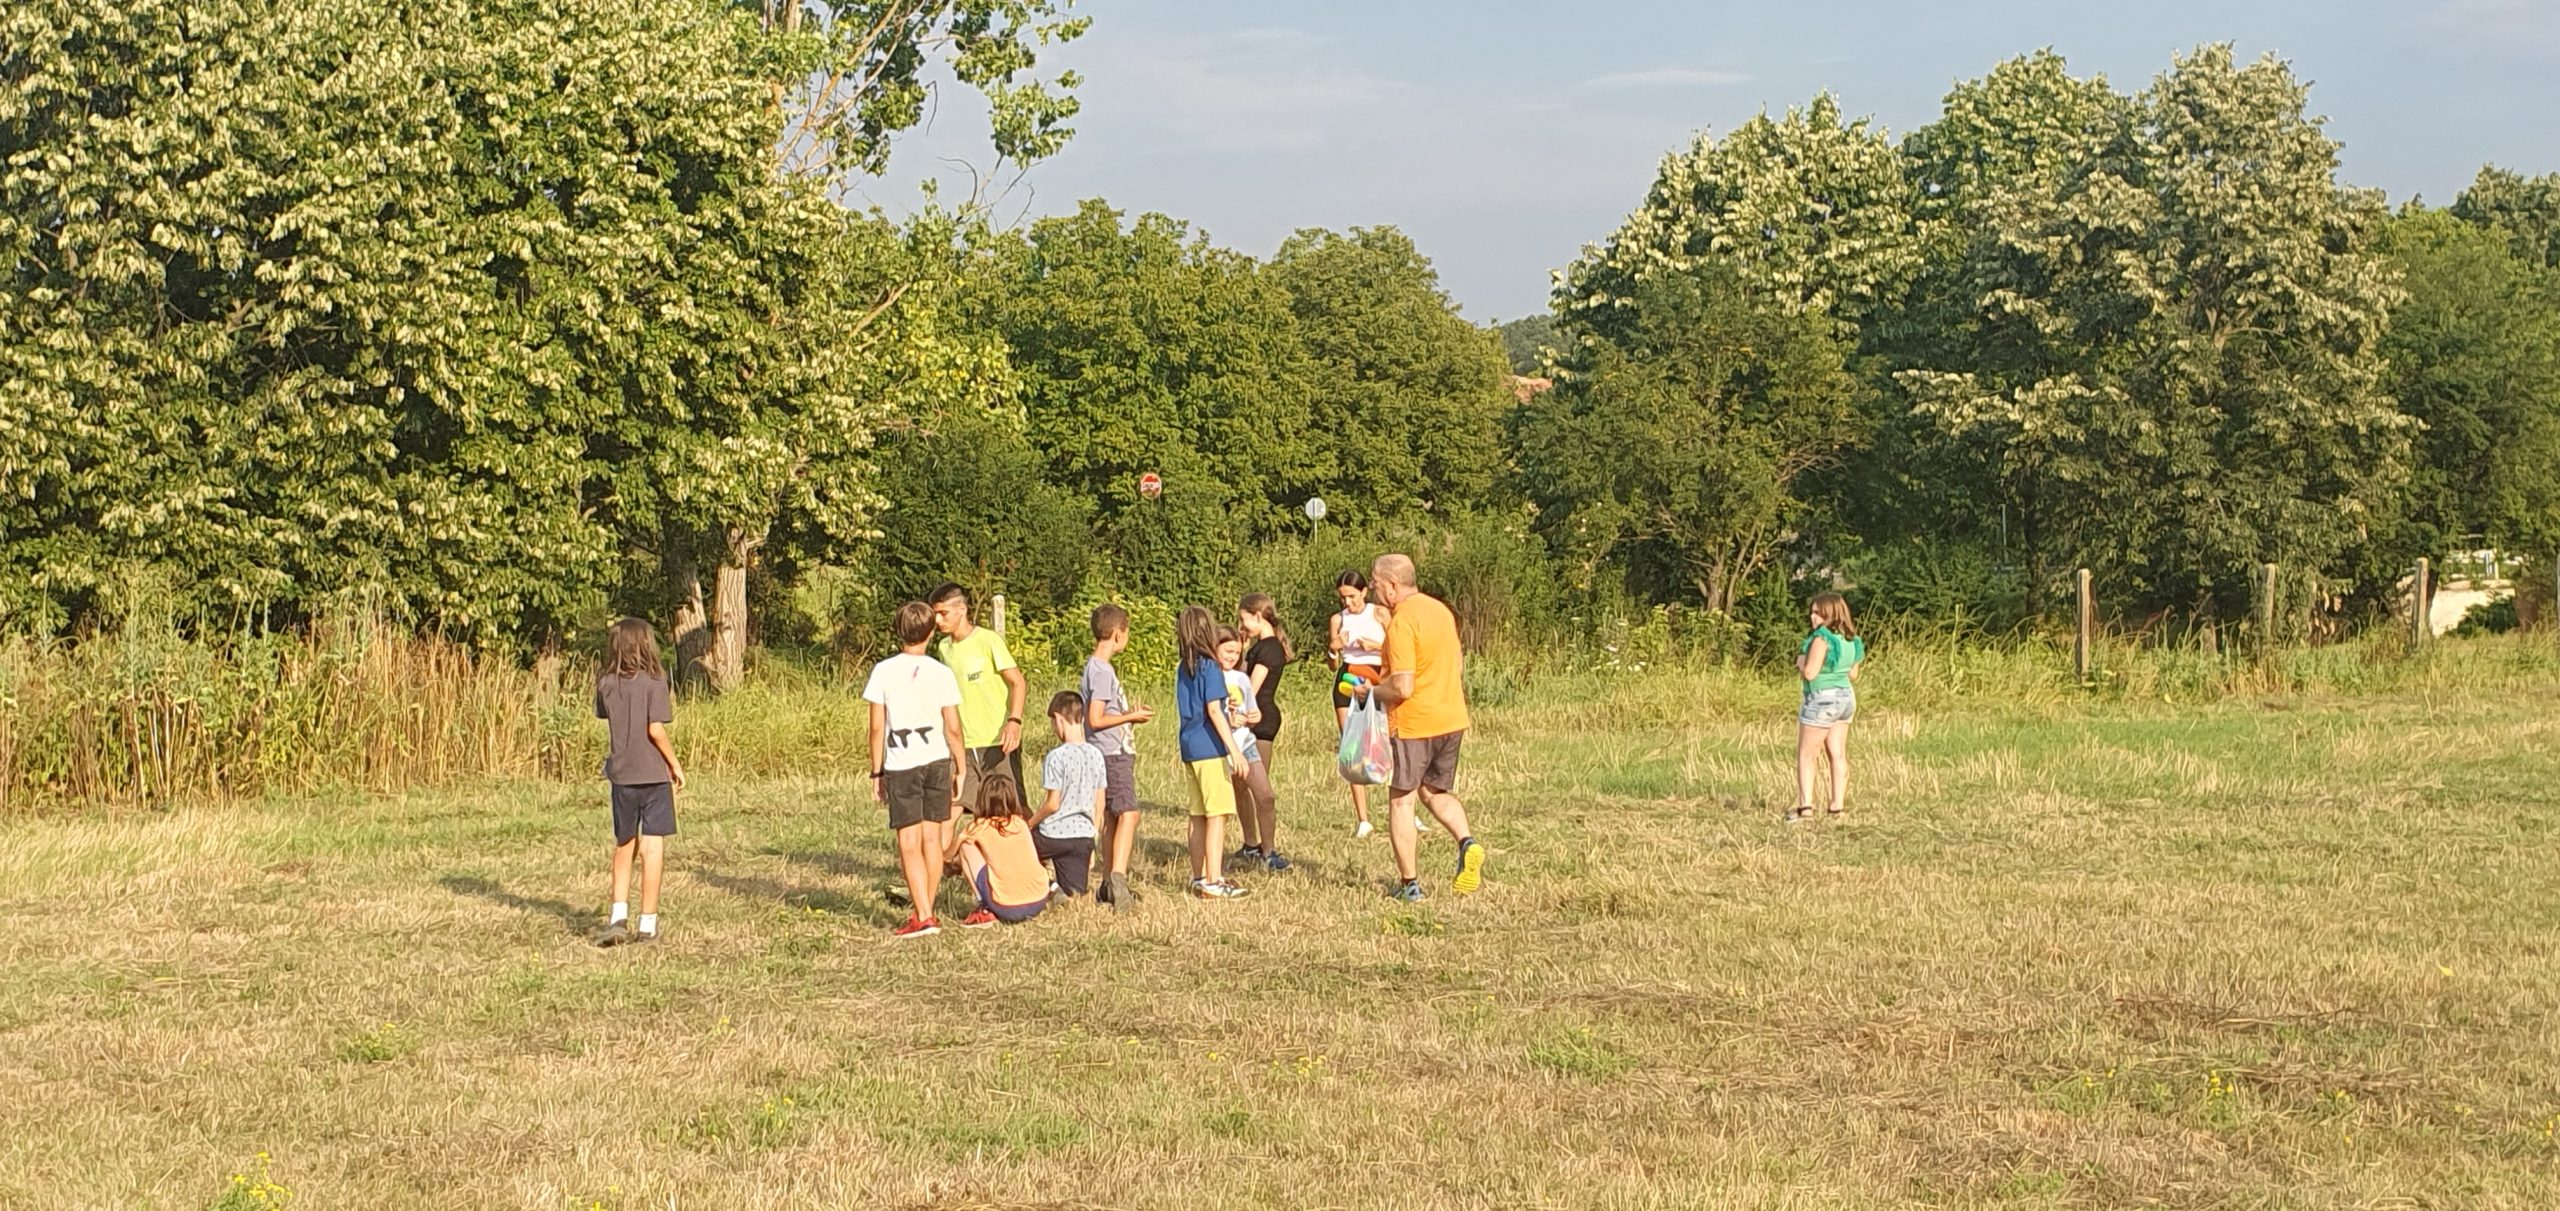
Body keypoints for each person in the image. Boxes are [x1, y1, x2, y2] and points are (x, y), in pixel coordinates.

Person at [1366, 554, 1484, 901]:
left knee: (1401, 802)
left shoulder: (1402, 621)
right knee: (1434, 791)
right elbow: (1457, 666)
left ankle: (1410, 885)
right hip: (1451, 717)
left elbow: (1403, 687)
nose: (1372, 588)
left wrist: (1370, 692)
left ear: (1392, 585)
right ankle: (1467, 842)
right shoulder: (1440, 611)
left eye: (1375, 582)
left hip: (1414, 723)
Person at [864, 601, 968, 939]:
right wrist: (961, 766)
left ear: (898, 631)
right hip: (936, 760)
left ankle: (923, 915)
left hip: (902, 764)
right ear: (931, 631)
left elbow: (876, 727)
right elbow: (953, 727)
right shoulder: (941, 673)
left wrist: (876, 771)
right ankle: (927, 909)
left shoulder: (883, 671)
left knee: (908, 842)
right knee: (932, 839)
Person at [592, 617, 685, 947]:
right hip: (653, 775)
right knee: (652, 846)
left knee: (625, 844)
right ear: (647, 644)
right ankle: (647, 925)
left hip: (621, 776)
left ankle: (617, 918)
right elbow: (655, 730)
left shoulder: (605, 683)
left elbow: (609, 716)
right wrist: (675, 764)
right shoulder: (655, 681)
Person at [1174, 605, 1252, 899]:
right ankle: (1214, 879)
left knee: (1197, 814)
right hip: (1210, 748)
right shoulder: (1210, 667)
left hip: (1189, 746)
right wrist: (1235, 751)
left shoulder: (1184, 666)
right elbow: (1214, 711)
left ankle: (1198, 877)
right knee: (1217, 814)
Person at [929, 582, 1028, 810]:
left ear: (961, 610)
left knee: (1012, 809)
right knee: (953, 809)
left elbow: (1018, 682)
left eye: (943, 613)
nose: (938, 620)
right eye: (936, 614)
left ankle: (1031, 834)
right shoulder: (944, 648)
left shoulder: (988, 641)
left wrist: (1014, 722)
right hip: (963, 744)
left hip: (997, 742)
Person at [1083, 604, 1154, 911]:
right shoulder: (1101, 671)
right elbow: (1095, 718)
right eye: (1126, 632)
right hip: (1112, 753)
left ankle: (1107, 885)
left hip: (1108, 752)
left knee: (1113, 816)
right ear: (1117, 634)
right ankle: (1118, 878)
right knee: (1129, 813)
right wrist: (1130, 717)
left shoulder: (1096, 668)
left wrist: (1126, 716)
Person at [1791, 592, 1867, 823]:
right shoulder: (1851, 640)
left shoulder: (1821, 639)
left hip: (1822, 697)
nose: (1812, 617)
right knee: (1837, 753)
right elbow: (1853, 674)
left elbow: (1810, 673)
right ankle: (1837, 807)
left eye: (1818, 613)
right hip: (1845, 697)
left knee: (1807, 754)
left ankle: (1805, 808)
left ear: (1830, 614)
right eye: (1812, 612)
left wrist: (1800, 662)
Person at [1327, 570, 1391, 838]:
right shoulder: (1337, 619)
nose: (1348, 602)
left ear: (1364, 592)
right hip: (1348, 678)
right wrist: (1333, 648)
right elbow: (1332, 664)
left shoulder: (1380, 614)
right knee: (1351, 747)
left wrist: (1374, 646)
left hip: (1377, 676)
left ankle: (1404, 810)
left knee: (1388, 740)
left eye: (1352, 596)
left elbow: (1397, 651)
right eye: (1343, 598)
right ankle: (1363, 818)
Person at [946, 773, 1049, 926]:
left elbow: (947, 857)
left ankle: (984, 907)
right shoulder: (1020, 823)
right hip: (1038, 900)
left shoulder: (978, 827)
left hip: (1007, 907)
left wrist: (961, 837)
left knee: (966, 847)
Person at [1237, 592, 1293, 871]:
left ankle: (1267, 849)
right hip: (1251, 719)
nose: (1241, 626)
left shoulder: (1269, 649)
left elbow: (1250, 687)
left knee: (1259, 788)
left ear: (1258, 616)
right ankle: (1250, 844)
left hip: (1260, 721)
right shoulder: (1259, 647)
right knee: (1241, 785)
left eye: (1243, 620)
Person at [1217, 627, 1281, 870]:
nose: (1232, 657)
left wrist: (1254, 717)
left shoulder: (1241, 679)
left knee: (1265, 796)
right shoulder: (1209, 678)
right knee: (1236, 793)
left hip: (1245, 743)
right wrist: (1228, 720)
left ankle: (1269, 851)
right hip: (1220, 748)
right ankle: (1250, 845)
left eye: (1236, 652)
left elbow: (1251, 711)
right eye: (1228, 651)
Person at [1032, 690, 1104, 897]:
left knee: (1015, 851)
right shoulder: (1096, 755)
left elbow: (1053, 804)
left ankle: (1049, 886)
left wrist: (1030, 823)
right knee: (1075, 893)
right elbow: (1100, 802)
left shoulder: (1056, 757)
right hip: (1082, 837)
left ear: (1058, 719)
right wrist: (1093, 838)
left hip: (1053, 834)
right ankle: (1060, 891)